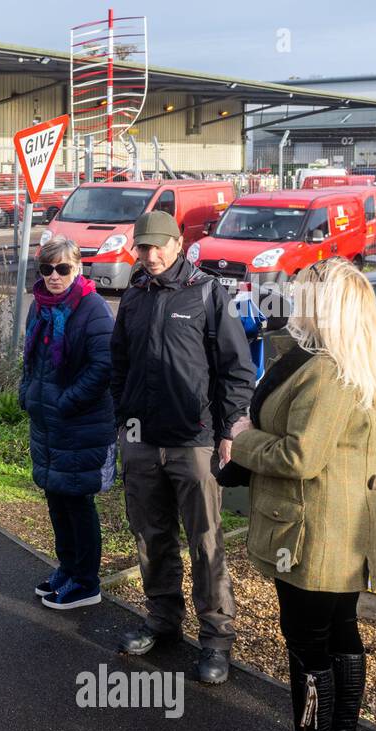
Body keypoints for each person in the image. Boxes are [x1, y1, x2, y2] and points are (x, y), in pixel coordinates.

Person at [229, 258, 376, 731]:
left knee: (308, 650)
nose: (295, 302)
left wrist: (242, 442)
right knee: (341, 636)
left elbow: (301, 456)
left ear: (326, 308)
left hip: (313, 531)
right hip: (347, 528)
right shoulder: (362, 364)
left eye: (305, 295)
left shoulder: (326, 372)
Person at [110, 210, 256, 684]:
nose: (148, 256)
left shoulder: (209, 293)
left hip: (194, 442)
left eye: (156, 247)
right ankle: (162, 618)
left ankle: (216, 639)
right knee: (151, 534)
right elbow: (119, 364)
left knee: (206, 542)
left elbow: (237, 369)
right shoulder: (133, 296)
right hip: (141, 440)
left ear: (177, 245)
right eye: (142, 248)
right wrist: (123, 421)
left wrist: (230, 430)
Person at [19, 236, 115, 611]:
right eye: (47, 269)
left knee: (77, 501)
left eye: (62, 269)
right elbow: (30, 360)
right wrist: (28, 393)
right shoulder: (39, 307)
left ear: (77, 269)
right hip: (48, 422)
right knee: (56, 497)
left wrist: (65, 401)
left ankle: (87, 581)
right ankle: (68, 567)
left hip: (80, 423)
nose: (54, 277)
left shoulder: (92, 309)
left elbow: (104, 366)